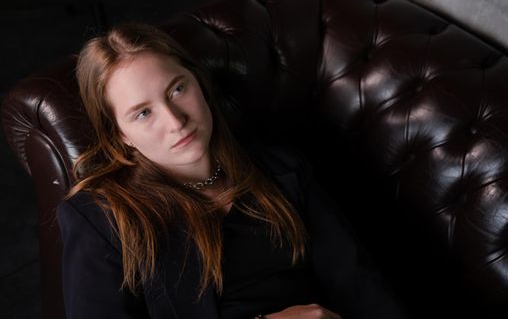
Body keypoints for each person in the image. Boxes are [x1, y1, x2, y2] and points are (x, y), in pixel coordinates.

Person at [57, 22, 407, 319]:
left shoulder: (284, 169)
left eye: (177, 89)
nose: (175, 121)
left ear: (200, 84)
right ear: (121, 135)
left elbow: (362, 289)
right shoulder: (101, 220)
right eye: (143, 113)